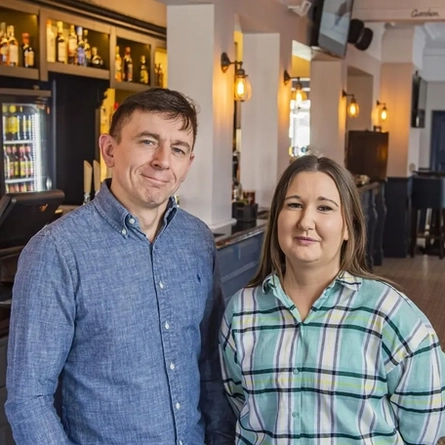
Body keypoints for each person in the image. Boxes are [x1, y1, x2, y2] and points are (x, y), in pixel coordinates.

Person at [6, 88, 235, 445]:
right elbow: (28, 399)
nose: (162, 160)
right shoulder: (56, 251)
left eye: (177, 149)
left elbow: (209, 365)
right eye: (148, 141)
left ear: (188, 163)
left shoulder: (198, 241)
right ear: (109, 150)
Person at [219, 155, 445, 444]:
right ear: (277, 217)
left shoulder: (390, 314)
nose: (305, 221)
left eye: (324, 208)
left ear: (348, 227)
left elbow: (425, 426)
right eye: (294, 205)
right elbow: (239, 405)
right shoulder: (241, 312)